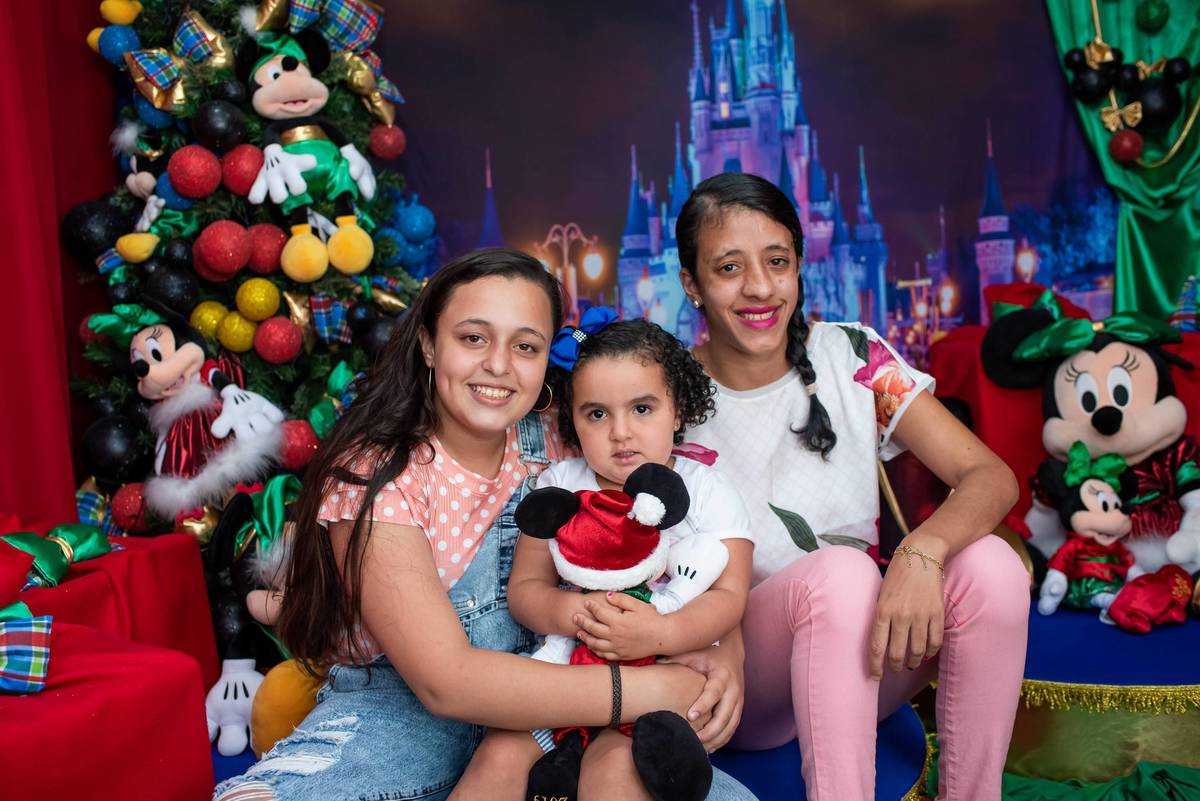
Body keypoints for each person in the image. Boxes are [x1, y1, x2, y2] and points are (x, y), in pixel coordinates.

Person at [212, 249, 754, 801]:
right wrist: (651, 687)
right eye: (473, 338)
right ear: (429, 344)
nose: (498, 365)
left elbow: (689, 551)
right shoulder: (376, 474)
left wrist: (724, 654)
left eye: (525, 346)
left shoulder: (576, 438)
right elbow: (445, 683)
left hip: (570, 712)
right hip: (409, 721)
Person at [670, 173, 1030, 801]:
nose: (760, 287)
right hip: (740, 679)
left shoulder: (853, 356)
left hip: (861, 661)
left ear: (798, 266)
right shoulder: (666, 394)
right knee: (840, 575)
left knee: (993, 567)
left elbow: (990, 476)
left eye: (777, 261)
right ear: (692, 284)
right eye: (729, 268)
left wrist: (921, 551)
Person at [452, 316, 754, 801]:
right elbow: (526, 590)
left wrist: (661, 633)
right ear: (572, 421)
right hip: (564, 677)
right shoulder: (560, 484)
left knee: (615, 769)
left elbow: (730, 596)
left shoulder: (707, 491)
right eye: (596, 414)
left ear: (677, 411)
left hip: (652, 688)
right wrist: (578, 613)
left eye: (642, 408)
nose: (620, 432)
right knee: (498, 758)